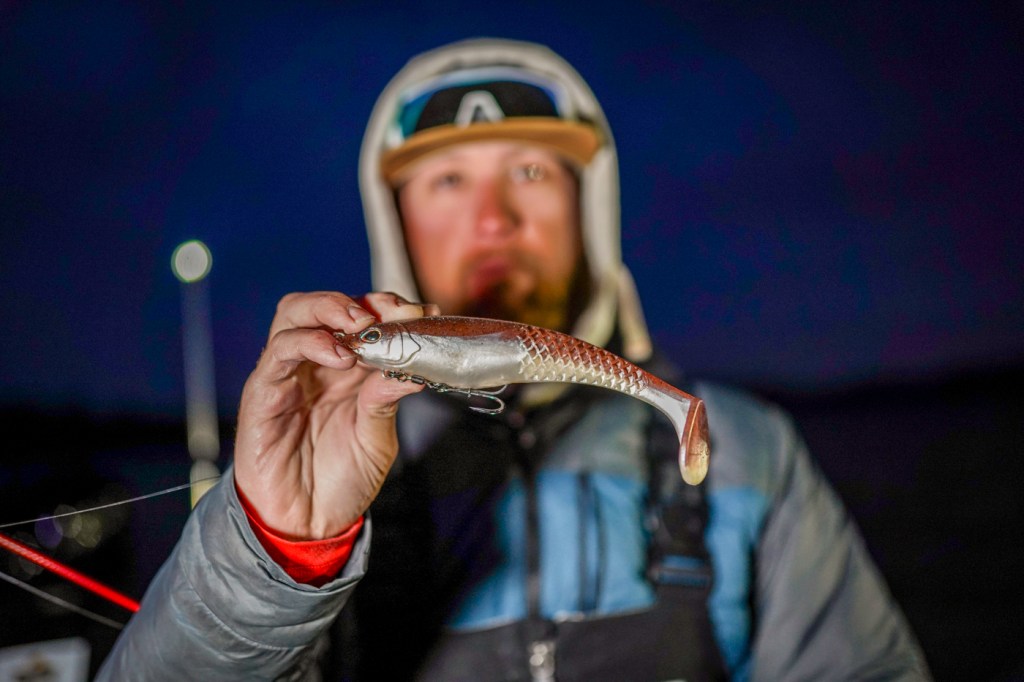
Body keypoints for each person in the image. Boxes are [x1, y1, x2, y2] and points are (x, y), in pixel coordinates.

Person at [98, 38, 929, 680]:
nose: (493, 217)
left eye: (530, 170)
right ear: (395, 221)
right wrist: (277, 553)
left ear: (588, 204)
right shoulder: (332, 462)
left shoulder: (753, 451)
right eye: (448, 181)